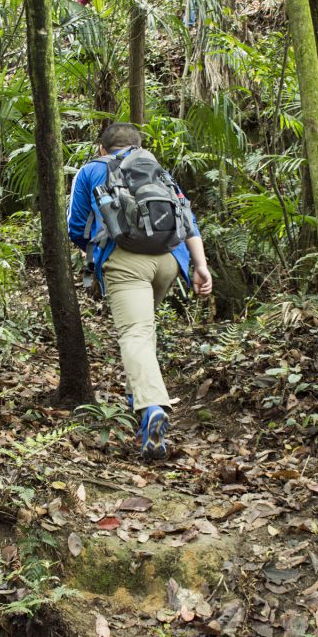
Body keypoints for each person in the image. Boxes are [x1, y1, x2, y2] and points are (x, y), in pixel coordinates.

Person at [67, 122, 213, 459]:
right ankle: (140, 409)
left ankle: (152, 409)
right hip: (170, 261)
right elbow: (187, 218)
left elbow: (76, 226)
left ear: (102, 147)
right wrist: (200, 265)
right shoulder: (157, 170)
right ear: (138, 145)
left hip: (125, 260)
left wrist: (93, 251)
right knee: (144, 332)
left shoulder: (90, 170)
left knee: (134, 332)